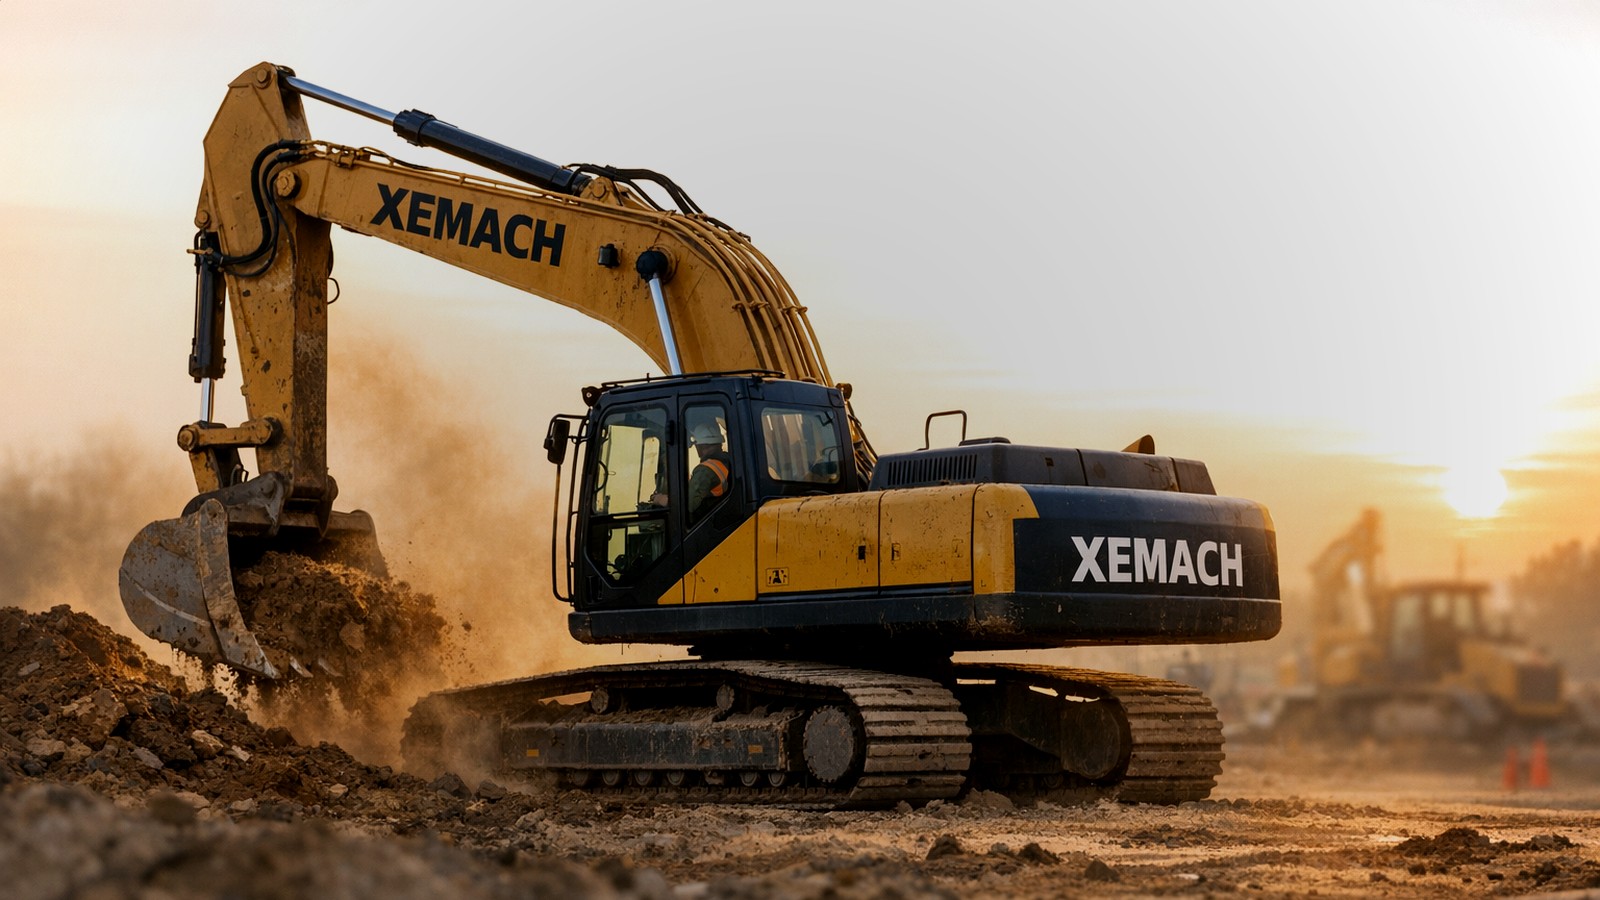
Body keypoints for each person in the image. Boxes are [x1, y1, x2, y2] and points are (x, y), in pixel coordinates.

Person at [649, 421, 732, 521]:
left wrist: (660, 499)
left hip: (704, 521)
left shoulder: (706, 470)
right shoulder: (726, 461)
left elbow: (687, 505)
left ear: (700, 447)